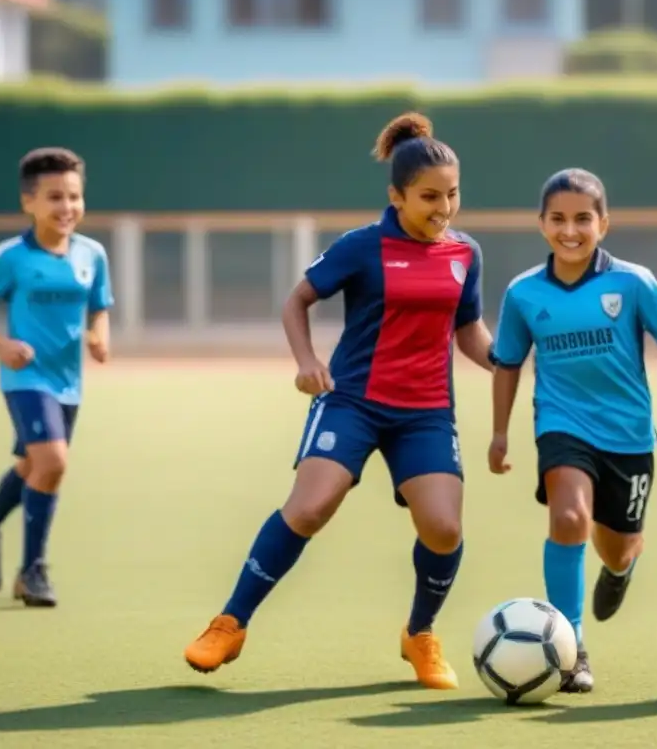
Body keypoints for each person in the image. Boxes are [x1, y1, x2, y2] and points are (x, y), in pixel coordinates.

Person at [183, 112, 493, 690]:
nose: (444, 208)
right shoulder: (362, 246)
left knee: (444, 530)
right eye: (429, 196)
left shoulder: (465, 254)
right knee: (307, 509)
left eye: (452, 194)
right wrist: (306, 362)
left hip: (426, 412)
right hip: (352, 402)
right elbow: (297, 301)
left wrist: (506, 363)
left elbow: (468, 330)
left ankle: (419, 634)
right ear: (396, 196)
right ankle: (230, 622)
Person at [487, 168, 657, 692]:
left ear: (603, 223)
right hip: (562, 423)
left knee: (618, 546)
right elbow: (508, 364)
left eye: (583, 218)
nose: (570, 230)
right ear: (541, 225)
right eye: (558, 219)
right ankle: (571, 649)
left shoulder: (632, 282)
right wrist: (500, 434)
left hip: (628, 435)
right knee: (568, 517)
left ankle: (622, 568)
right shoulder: (522, 294)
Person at [0, 147, 113, 607]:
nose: (67, 208)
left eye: (74, 197)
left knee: (31, 466)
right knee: (54, 464)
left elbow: (100, 306)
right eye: (54, 197)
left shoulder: (91, 254)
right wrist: (2, 346)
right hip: (25, 379)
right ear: (29, 203)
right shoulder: (13, 257)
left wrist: (100, 336)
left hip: (68, 383)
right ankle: (32, 571)